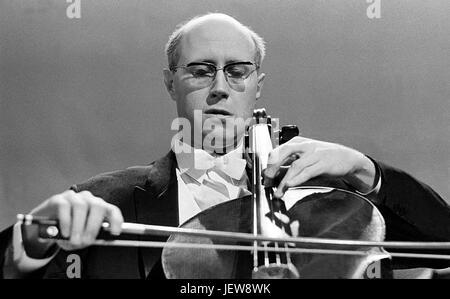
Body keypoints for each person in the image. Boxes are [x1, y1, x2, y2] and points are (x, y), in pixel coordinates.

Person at [1, 13, 449, 279]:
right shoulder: (103, 201)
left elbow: (442, 243)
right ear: (169, 82)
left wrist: (367, 173)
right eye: (200, 70)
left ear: (257, 85)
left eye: (238, 71)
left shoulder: (335, 202)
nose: (220, 88)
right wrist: (31, 241)